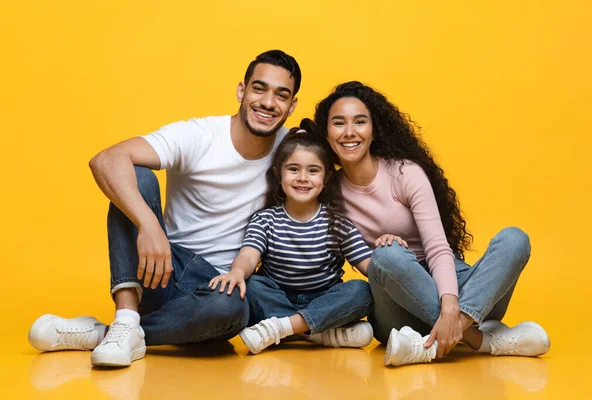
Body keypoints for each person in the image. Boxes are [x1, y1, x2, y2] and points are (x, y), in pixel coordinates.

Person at [27, 50, 302, 367]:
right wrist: (149, 225)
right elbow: (106, 160)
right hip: (162, 269)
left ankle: (112, 332)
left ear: (292, 105)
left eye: (281, 95)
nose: (268, 103)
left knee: (233, 311)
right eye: (259, 88)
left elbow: (344, 160)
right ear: (242, 91)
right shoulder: (199, 136)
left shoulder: (293, 151)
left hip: (221, 290)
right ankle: (127, 315)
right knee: (137, 176)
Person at [313, 81, 550, 367]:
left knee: (515, 239)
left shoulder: (404, 173)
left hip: (453, 285)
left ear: (374, 130)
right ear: (326, 134)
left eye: (360, 122)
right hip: (395, 306)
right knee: (387, 256)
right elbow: (360, 262)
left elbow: (438, 248)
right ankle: (481, 340)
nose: (349, 132)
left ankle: (440, 338)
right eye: (338, 123)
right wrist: (386, 259)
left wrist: (451, 306)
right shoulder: (327, 193)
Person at [208, 120, 386, 354]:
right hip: (278, 297)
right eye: (293, 169)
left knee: (361, 291)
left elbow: (368, 267)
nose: (303, 178)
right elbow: (248, 256)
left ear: (326, 178)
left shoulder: (337, 223)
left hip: (324, 299)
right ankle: (316, 333)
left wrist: (390, 257)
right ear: (278, 175)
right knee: (251, 286)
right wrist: (237, 272)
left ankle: (286, 328)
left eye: (313, 171)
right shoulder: (265, 220)